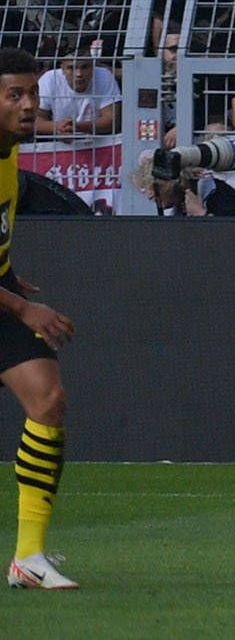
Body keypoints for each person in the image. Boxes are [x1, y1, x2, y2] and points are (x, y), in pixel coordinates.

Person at [0, 50, 68, 591]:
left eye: (32, 96)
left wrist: (11, 277)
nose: (28, 107)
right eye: (14, 95)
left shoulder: (10, 158)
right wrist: (25, 307)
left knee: (46, 398)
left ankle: (28, 558)